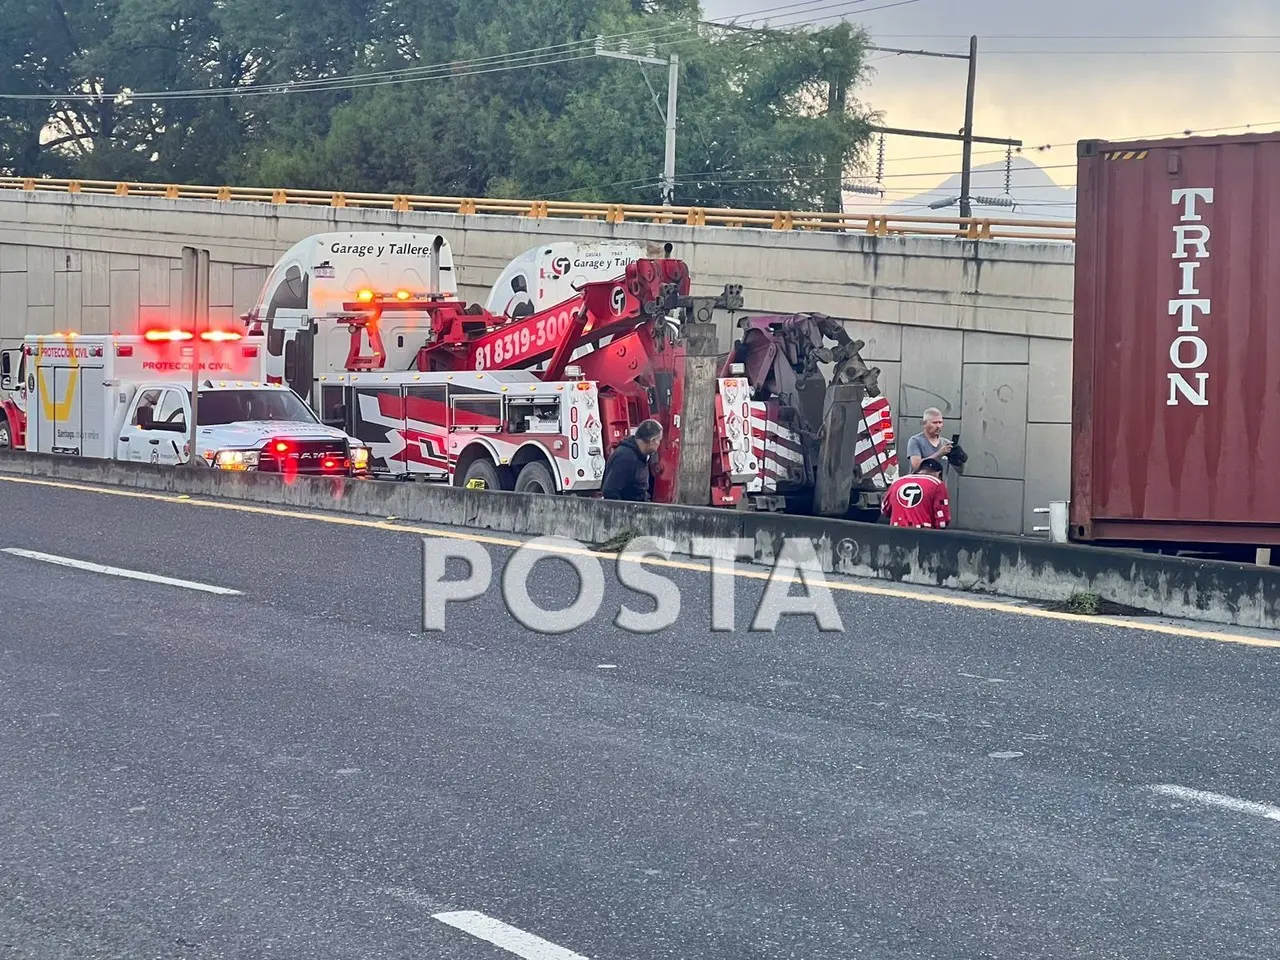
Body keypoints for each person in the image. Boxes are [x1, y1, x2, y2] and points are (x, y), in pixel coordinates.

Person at [601, 419, 663, 501]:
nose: (659, 444)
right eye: (659, 440)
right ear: (652, 441)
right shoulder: (625, 457)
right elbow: (610, 491)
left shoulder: (641, 456)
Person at [881, 457, 951, 529]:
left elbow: (885, 510)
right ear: (939, 474)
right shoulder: (937, 484)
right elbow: (942, 520)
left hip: (896, 532)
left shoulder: (897, 482)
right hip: (923, 533)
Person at [905, 407, 964, 478]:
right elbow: (916, 465)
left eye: (940, 422)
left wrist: (958, 459)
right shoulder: (915, 441)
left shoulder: (946, 443)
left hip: (939, 486)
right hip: (920, 486)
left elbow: (960, 471)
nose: (938, 426)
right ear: (924, 423)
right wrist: (939, 454)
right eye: (935, 423)